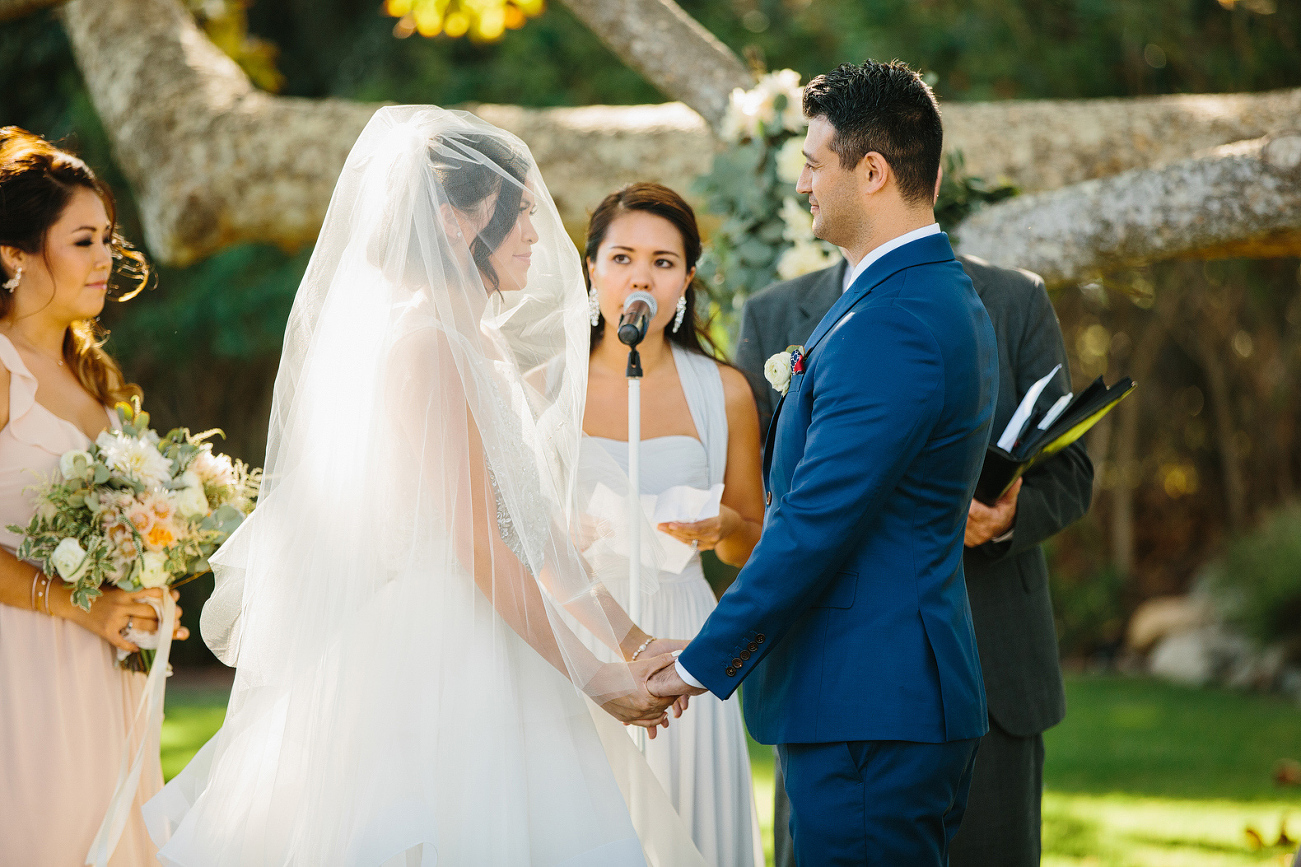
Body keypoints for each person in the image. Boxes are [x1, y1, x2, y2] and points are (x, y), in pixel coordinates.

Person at [145, 106, 709, 867]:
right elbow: (478, 541)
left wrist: (635, 643)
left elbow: (532, 528)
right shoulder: (423, 346)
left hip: (495, 631)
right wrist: (593, 673)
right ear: (457, 220)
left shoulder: (477, 342)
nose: (537, 235)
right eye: (517, 216)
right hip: (439, 651)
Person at [650, 60, 999, 864]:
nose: (802, 182)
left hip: (871, 711)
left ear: (871, 172)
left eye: (813, 163)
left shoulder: (899, 319)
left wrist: (697, 663)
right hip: (868, 701)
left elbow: (815, 521)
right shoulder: (904, 296)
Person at [737, 253, 1094, 867]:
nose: (804, 182)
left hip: (991, 657)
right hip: (832, 673)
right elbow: (756, 478)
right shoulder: (774, 312)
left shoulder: (1014, 298)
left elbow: (1072, 468)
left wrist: (1007, 517)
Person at [0, 127, 186, 866]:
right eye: (82, 240)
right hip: (26, 672)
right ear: (13, 253)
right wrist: (79, 603)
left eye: (108, 237)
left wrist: (150, 579)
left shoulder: (94, 374)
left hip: (107, 675)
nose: (106, 257)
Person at [582, 182, 765, 867]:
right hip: (577, 632)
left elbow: (752, 537)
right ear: (591, 267)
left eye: (662, 262)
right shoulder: (541, 381)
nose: (640, 276)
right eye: (622, 256)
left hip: (683, 633)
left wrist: (721, 525)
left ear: (686, 278)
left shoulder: (723, 389)